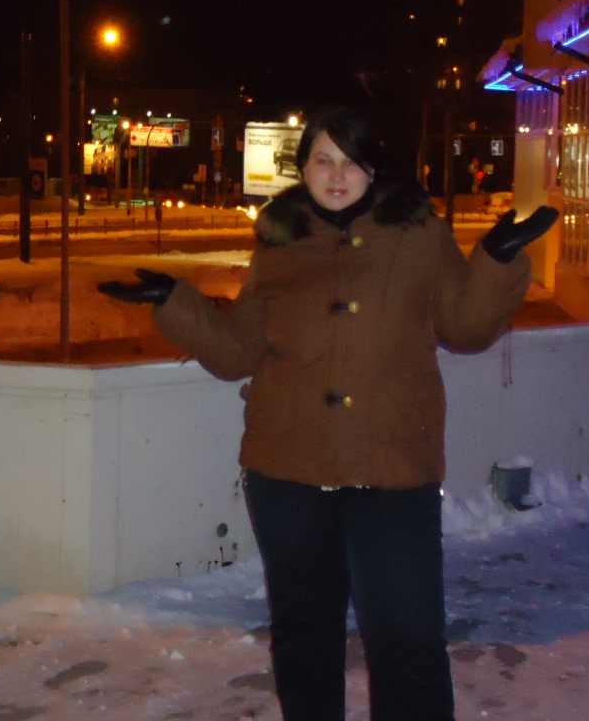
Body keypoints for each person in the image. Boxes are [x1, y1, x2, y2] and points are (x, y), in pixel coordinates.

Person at [97, 106, 556, 721]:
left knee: (409, 639)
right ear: (303, 167)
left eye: (351, 161)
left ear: (373, 168)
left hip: (393, 469)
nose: (337, 175)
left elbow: (467, 330)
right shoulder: (279, 242)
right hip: (288, 472)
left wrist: (496, 259)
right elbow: (237, 352)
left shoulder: (420, 234)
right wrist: (174, 301)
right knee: (304, 636)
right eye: (323, 160)